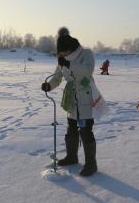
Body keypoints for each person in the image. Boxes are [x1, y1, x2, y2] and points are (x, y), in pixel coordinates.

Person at [41, 27, 106, 177]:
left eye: (63, 52)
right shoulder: (62, 60)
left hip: (86, 97)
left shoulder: (86, 54)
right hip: (71, 98)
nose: (61, 55)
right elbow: (57, 77)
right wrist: (49, 85)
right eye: (60, 53)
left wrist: (68, 64)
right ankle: (72, 157)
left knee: (85, 129)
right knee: (71, 128)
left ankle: (91, 164)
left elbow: (87, 71)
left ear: (70, 49)